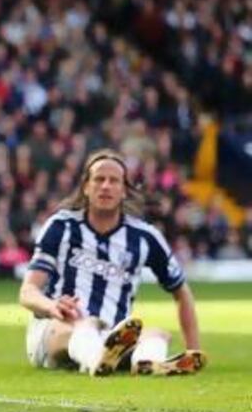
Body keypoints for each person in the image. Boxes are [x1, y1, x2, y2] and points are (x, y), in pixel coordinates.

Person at [19, 149, 205, 377]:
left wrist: (193, 350)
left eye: (114, 180)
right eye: (99, 179)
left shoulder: (144, 237)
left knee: (156, 335)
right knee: (84, 326)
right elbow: (27, 292)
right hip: (54, 331)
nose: (105, 186)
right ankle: (98, 359)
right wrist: (51, 306)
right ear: (86, 187)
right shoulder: (62, 227)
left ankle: (148, 364)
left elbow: (181, 292)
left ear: (125, 190)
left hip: (113, 335)